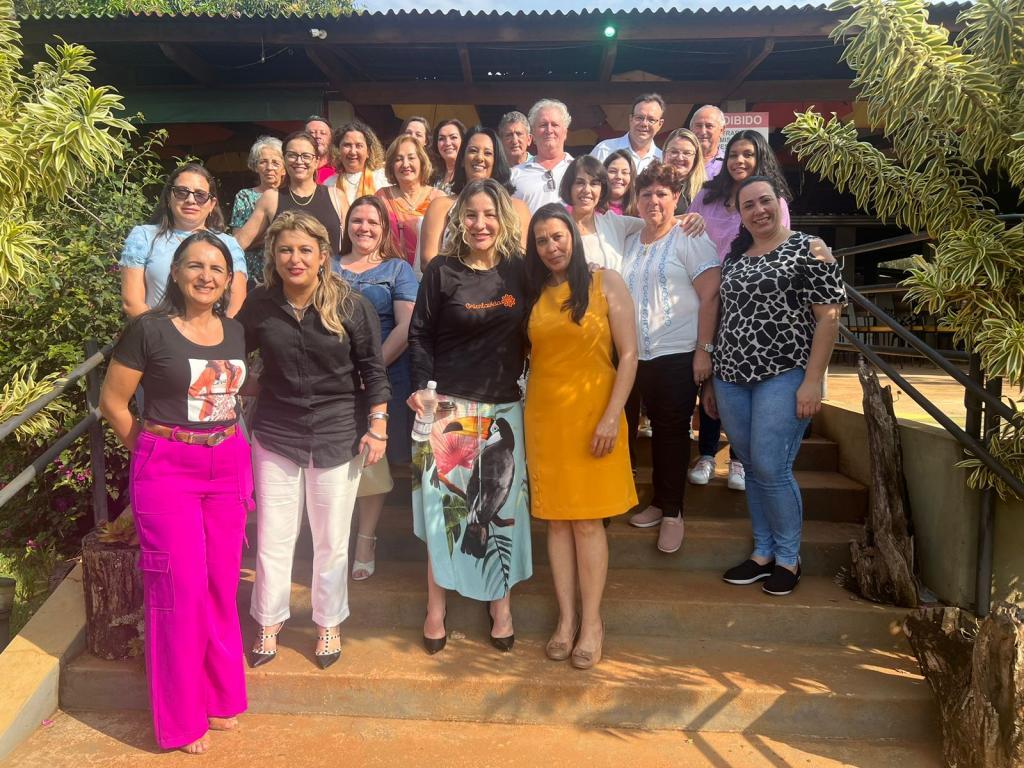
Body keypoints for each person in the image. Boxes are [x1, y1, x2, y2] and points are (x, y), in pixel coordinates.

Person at [100, 232, 252, 754]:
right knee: (179, 591)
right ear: (176, 272)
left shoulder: (235, 332)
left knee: (220, 584)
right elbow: (113, 403)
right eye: (195, 265)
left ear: (228, 280)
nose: (206, 276)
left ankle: (220, 696)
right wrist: (153, 450)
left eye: (216, 268)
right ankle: (182, 719)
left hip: (227, 462)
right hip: (169, 470)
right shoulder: (150, 329)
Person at [237, 211, 390, 671]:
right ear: (273, 255)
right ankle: (268, 619)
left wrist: (378, 425)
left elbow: (373, 370)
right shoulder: (261, 305)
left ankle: (328, 621)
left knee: (331, 539)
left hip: (337, 432)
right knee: (274, 535)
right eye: (285, 249)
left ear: (323, 255)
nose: (295, 259)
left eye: (305, 250)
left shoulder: (351, 305)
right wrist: (246, 385)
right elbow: (229, 354)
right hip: (277, 432)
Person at [407, 178, 532, 655]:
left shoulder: (519, 270)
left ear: (503, 219)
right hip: (450, 410)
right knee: (445, 514)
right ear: (459, 219)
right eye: (472, 214)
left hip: (503, 409)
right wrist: (423, 388)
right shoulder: (442, 270)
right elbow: (420, 334)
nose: (480, 224)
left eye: (489, 214)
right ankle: (435, 608)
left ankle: (501, 606)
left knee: (501, 512)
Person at [706, 176, 845, 596]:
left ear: (779, 203)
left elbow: (829, 318)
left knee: (771, 465)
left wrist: (813, 381)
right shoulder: (735, 257)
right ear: (741, 214)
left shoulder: (809, 248)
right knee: (751, 465)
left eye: (764, 201)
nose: (758, 210)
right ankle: (763, 552)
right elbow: (724, 317)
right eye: (748, 205)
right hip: (731, 376)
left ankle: (788, 557)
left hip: (784, 374)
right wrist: (711, 380)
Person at [523, 203, 638, 670]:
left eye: (558, 236)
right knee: (556, 521)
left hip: (595, 417)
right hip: (545, 418)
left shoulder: (605, 282)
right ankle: (566, 619)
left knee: (588, 523)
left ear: (573, 235)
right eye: (541, 240)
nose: (551, 247)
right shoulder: (533, 292)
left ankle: (592, 623)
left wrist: (612, 416)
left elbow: (629, 355)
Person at [622, 162, 721, 554]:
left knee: (673, 431)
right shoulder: (632, 240)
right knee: (654, 431)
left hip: (678, 353)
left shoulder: (689, 236)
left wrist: (703, 350)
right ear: (637, 199)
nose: (654, 201)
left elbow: (710, 295)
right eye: (646, 194)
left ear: (676, 197)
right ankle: (659, 501)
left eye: (662, 194)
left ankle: (673, 512)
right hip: (639, 355)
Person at [687, 130, 792, 491]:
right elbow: (685, 231)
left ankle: (737, 460)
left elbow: (780, 247)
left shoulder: (772, 200)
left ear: (760, 157)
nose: (739, 161)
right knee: (711, 374)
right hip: (707, 295)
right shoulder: (707, 195)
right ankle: (706, 452)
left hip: (749, 302)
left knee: (742, 376)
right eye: (733, 154)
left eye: (748, 154)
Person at [335, 196, 419, 581]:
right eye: (357, 220)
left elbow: (406, 326)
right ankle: (335, 539)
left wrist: (369, 371)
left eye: (373, 221)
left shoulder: (397, 269)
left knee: (372, 459)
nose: (364, 228)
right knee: (334, 461)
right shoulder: (328, 266)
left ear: (384, 228)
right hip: (331, 379)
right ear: (346, 225)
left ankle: (365, 539)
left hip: (382, 374)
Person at [120, 163, 248, 318]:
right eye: (181, 192)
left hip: (214, 331)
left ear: (212, 204)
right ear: (169, 197)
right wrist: (160, 331)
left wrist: (219, 332)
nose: (190, 200)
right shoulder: (144, 237)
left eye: (200, 195)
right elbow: (132, 303)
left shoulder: (229, 244)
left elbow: (236, 305)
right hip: (155, 329)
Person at [419, 125, 531, 268]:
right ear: (462, 159)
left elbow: (521, 261)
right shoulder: (441, 205)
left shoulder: (517, 208)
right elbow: (428, 261)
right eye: (473, 151)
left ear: (496, 160)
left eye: (488, 153)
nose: (479, 158)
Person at [233, 131, 348, 260]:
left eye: (306, 156)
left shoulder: (336, 196)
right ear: (285, 160)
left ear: (316, 161)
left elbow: (352, 244)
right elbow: (238, 244)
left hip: (330, 272)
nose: (299, 161)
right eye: (292, 155)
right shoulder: (271, 198)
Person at [376, 134, 445, 270]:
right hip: (391, 273)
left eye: (411, 158)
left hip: (430, 273)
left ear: (422, 161)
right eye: (398, 159)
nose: (405, 164)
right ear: (391, 166)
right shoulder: (381, 197)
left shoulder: (439, 199)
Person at [230, 136, 284, 284]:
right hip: (253, 274)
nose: (269, 167)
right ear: (255, 166)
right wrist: (274, 236)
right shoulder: (245, 196)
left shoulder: (289, 196)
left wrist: (256, 234)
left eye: (275, 163)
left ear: (284, 168)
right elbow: (238, 242)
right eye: (263, 162)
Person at [511, 99, 574, 213]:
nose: (549, 130)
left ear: (565, 133)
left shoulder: (579, 170)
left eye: (555, 125)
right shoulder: (514, 175)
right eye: (543, 125)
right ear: (533, 135)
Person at [590, 93, 665, 172]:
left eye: (651, 120)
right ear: (630, 119)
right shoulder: (604, 150)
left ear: (660, 124)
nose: (644, 124)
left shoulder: (663, 160)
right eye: (639, 118)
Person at [323, 120, 389, 205]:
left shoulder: (382, 179)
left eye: (359, 146)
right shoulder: (329, 184)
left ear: (368, 152)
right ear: (338, 150)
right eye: (347, 145)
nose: (353, 152)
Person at [662, 128, 706, 214]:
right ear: (664, 153)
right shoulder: (651, 185)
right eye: (674, 152)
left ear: (696, 158)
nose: (680, 158)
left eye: (687, 153)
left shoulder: (705, 191)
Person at [690, 105, 727, 180]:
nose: (703, 131)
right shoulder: (682, 161)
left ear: (722, 130)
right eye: (698, 126)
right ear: (691, 129)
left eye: (709, 126)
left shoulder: (728, 164)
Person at [429, 118, 466, 194]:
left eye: (453, 137)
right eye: (441, 139)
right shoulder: (433, 175)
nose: (447, 143)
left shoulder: (468, 174)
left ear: (463, 141)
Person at [604, 150, 638, 216]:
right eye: (613, 171)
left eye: (624, 172)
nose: (618, 176)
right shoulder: (593, 209)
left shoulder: (641, 210)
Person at [305, 115, 336, 184]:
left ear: (331, 139)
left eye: (323, 133)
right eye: (312, 132)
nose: (318, 136)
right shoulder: (295, 168)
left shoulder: (340, 168)